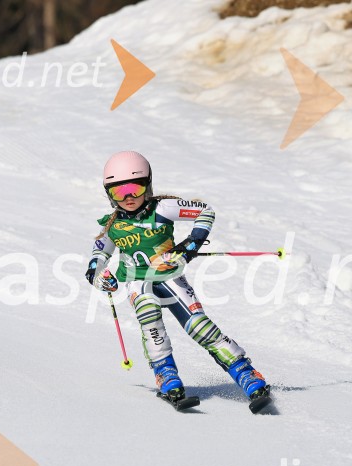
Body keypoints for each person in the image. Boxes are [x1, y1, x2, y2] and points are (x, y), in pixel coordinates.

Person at [84, 151, 270, 406]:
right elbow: (98, 256)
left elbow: (205, 211)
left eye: (135, 188)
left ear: (148, 185)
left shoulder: (163, 208)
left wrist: (190, 245)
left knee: (199, 327)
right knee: (150, 320)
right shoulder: (112, 224)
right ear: (109, 194)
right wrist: (99, 275)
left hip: (170, 276)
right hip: (138, 282)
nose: (128, 197)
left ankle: (245, 373)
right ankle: (166, 374)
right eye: (118, 192)